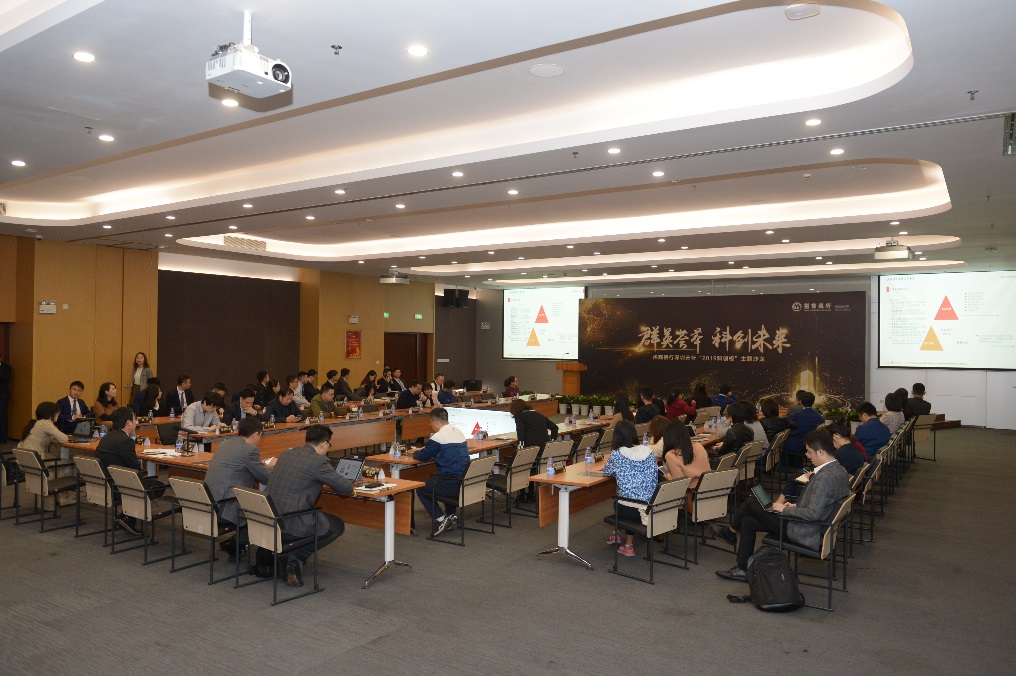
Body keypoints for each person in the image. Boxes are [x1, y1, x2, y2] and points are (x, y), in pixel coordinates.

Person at [713, 428, 852, 581]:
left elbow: (813, 514)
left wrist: (784, 510)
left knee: (750, 503)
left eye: (809, 452)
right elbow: (821, 505)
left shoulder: (825, 478)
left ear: (820, 452)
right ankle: (742, 568)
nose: (808, 456)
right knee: (747, 521)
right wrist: (795, 506)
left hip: (802, 530)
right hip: (810, 526)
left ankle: (730, 532)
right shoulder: (839, 470)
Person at [266, 425, 352, 587]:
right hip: (290, 521)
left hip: (269, 515)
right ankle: (294, 556)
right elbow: (346, 489)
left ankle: (288, 556)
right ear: (324, 444)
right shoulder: (319, 461)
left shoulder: (287, 453)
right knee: (336, 526)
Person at [204, 417, 275, 560]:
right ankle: (238, 543)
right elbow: (265, 477)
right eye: (260, 436)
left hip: (207, 502)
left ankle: (236, 544)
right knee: (265, 511)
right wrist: (271, 466)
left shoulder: (224, 444)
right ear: (255, 435)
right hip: (224, 507)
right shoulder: (250, 450)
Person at [603, 420, 658, 557]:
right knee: (627, 495)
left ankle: (627, 544)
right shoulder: (648, 452)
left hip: (630, 511)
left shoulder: (617, 454)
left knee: (620, 500)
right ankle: (618, 534)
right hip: (650, 506)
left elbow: (607, 471)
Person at [413, 407, 470, 536]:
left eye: (430, 423)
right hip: (464, 482)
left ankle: (440, 519)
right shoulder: (459, 433)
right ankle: (451, 516)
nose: (431, 426)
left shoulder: (438, 437)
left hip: (451, 484)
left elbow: (422, 456)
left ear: (435, 421)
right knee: (443, 477)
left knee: (421, 489)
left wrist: (415, 452)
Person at [96, 407, 146, 535]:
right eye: (134, 419)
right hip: (120, 486)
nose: (136, 421)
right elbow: (135, 467)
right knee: (154, 486)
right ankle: (129, 518)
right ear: (128, 422)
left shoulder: (106, 437)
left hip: (106, 482)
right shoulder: (126, 441)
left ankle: (125, 516)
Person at [661, 420, 710, 488]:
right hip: (710, 487)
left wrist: (668, 476)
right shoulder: (698, 446)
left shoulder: (671, 456)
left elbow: (680, 485)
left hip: (691, 492)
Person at [784, 391, 823, 463]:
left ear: (801, 402)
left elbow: (790, 429)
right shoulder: (818, 416)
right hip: (812, 446)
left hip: (797, 445)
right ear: (813, 402)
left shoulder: (796, 415)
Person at [0, 357, 11, 441]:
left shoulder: (6, 367)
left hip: (2, 394)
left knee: (1, 415)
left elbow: (5, 378)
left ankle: (3, 437)